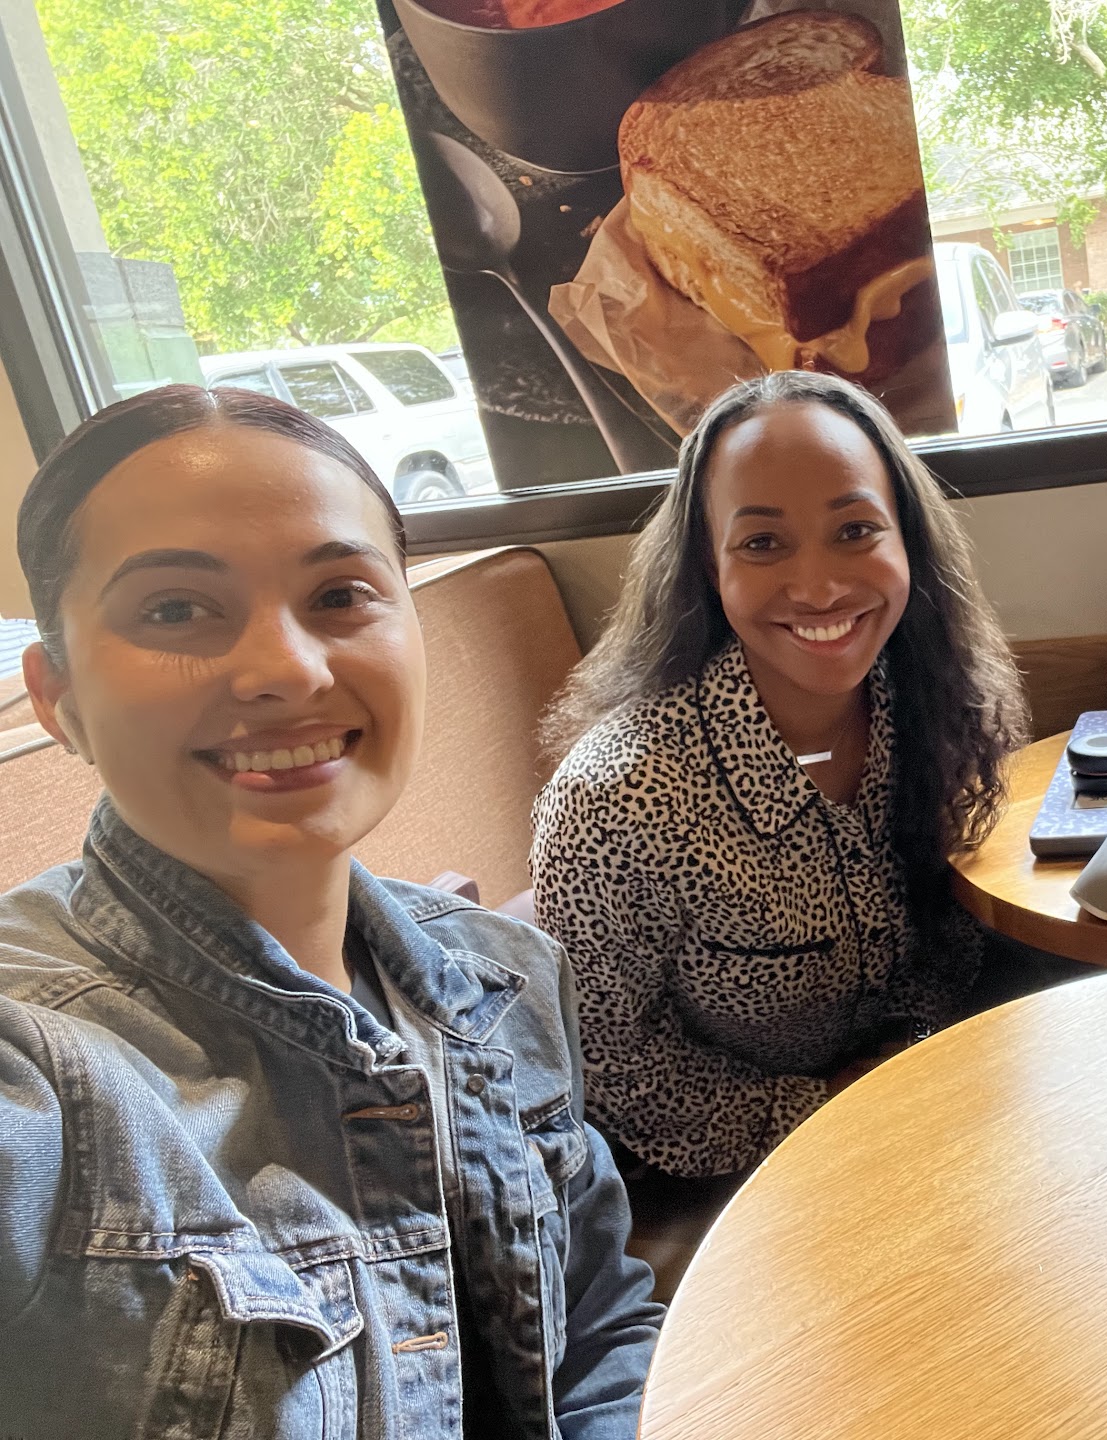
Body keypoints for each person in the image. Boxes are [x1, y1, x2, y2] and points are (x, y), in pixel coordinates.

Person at [0, 386, 662, 1437]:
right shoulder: (38, 1065)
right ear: (57, 696)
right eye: (175, 610)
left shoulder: (505, 976)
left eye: (341, 595)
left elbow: (598, 1328)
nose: (287, 669)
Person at [533, 370, 1029, 1183]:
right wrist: (832, 1110)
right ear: (709, 562)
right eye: (763, 543)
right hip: (739, 1171)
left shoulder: (938, 704)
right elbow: (614, 1065)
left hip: (927, 1089)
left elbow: (952, 940)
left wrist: (913, 1059)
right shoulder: (617, 801)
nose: (819, 586)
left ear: (906, 539)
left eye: (855, 530)